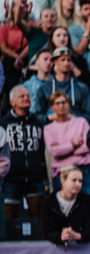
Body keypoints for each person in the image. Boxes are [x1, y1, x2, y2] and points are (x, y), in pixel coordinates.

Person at [1, 85, 46, 224]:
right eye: (21, 96)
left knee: (37, 215)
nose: (26, 98)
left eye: (27, 96)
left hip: (35, 176)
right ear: (12, 102)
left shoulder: (38, 122)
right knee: (8, 214)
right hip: (11, 177)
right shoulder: (3, 124)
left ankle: (38, 239)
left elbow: (42, 148)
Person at [43, 91, 90, 198]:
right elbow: (54, 152)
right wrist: (73, 145)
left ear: (69, 104)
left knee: (88, 204)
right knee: (62, 206)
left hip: (84, 170)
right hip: (61, 172)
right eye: (57, 103)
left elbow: (88, 145)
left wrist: (63, 149)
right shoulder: (48, 129)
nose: (61, 106)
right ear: (51, 107)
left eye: (64, 102)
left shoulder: (81, 122)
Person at [40, 165, 90, 246]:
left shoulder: (87, 200)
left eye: (80, 181)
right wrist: (61, 237)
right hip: (55, 249)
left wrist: (78, 236)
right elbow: (46, 231)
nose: (78, 184)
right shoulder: (49, 201)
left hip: (82, 249)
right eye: (74, 180)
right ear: (63, 181)